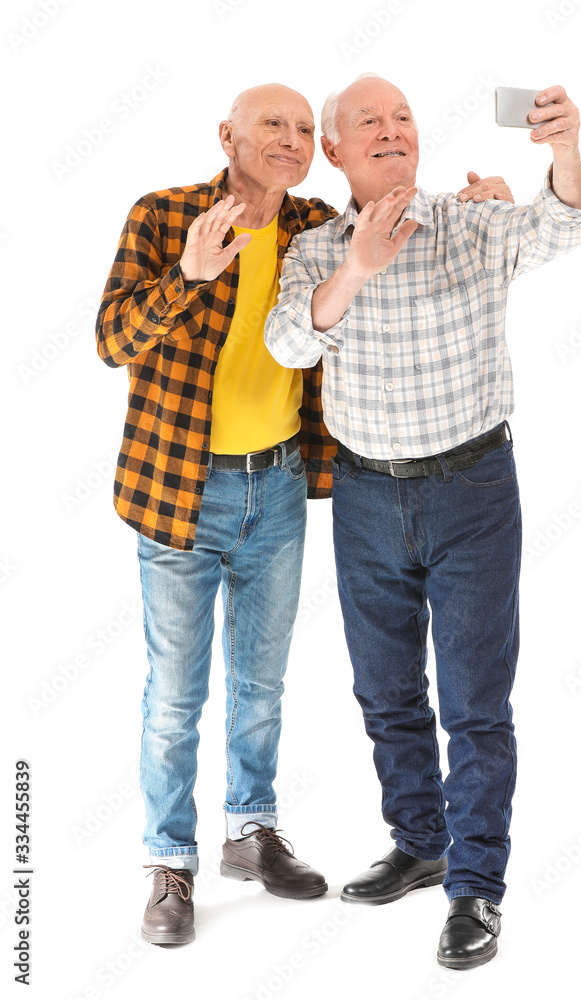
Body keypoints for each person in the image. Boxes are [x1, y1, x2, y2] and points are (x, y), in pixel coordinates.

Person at [96, 80, 514, 946]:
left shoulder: (311, 227)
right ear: (227, 135)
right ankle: (171, 862)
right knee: (174, 694)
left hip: (281, 486)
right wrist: (187, 275)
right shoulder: (165, 215)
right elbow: (111, 341)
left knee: (261, 683)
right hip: (179, 490)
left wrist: (484, 210)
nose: (287, 138)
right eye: (269, 125)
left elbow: (385, 230)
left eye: (298, 126)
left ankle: (252, 831)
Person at [265, 74, 581, 970]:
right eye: (367, 122)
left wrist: (564, 152)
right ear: (334, 151)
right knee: (384, 691)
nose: (390, 130)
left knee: (475, 704)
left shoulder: (467, 223)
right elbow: (292, 342)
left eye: (403, 117)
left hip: (473, 492)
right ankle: (421, 841)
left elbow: (561, 224)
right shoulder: (318, 250)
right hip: (366, 496)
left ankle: (475, 890)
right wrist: (358, 268)